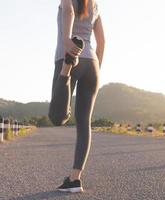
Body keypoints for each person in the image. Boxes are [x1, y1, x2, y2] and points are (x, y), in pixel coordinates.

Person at [48, 0, 105, 193]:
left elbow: (69, 12)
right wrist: (97, 66)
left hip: (70, 55)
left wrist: (67, 42)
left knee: (57, 117)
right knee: (84, 122)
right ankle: (74, 179)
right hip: (92, 63)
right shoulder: (95, 5)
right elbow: (103, 41)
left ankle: (66, 68)